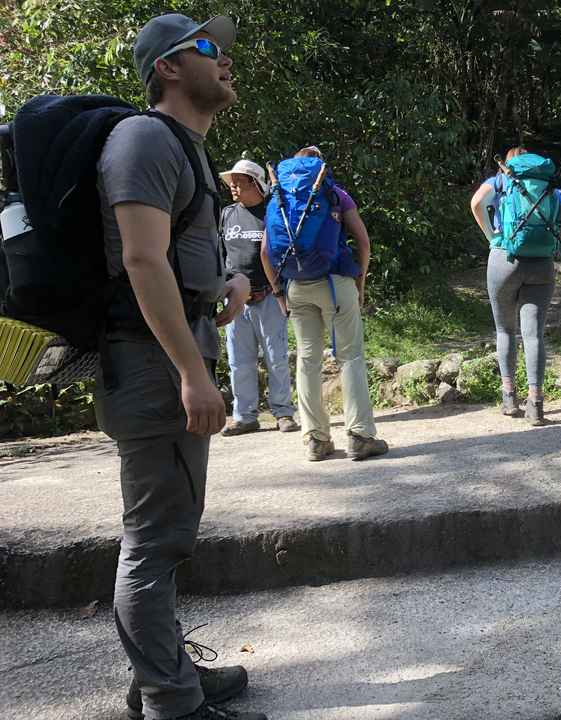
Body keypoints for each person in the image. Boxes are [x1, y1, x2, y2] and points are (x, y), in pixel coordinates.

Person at [93, 13, 267, 720]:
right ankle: (172, 702)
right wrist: (193, 373)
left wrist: (219, 289)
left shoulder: (186, 149)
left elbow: (168, 256)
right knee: (155, 542)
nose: (223, 58)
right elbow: (137, 259)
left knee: (169, 532)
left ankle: (162, 674)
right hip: (150, 365)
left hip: (167, 355)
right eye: (206, 49)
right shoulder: (143, 138)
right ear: (167, 68)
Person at [260, 146, 388, 462]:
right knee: (350, 358)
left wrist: (278, 293)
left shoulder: (280, 199)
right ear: (320, 170)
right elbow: (363, 241)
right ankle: (360, 436)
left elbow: (265, 253)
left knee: (307, 361)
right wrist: (359, 283)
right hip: (335, 283)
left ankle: (316, 441)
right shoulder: (335, 194)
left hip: (295, 288)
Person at [469, 146, 561, 425]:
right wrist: (556, 236)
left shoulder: (500, 181)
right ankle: (535, 403)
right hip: (542, 263)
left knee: (505, 330)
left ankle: (509, 397)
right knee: (534, 335)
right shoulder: (548, 187)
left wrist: (492, 237)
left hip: (504, 259)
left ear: (507, 165)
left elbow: (476, 204)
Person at [219, 159, 299, 436]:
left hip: (270, 296)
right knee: (238, 361)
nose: (233, 186)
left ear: (256, 183)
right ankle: (244, 416)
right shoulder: (227, 214)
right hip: (235, 299)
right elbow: (218, 253)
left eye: (239, 180)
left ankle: (283, 413)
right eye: (231, 181)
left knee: (276, 357)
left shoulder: (272, 211)